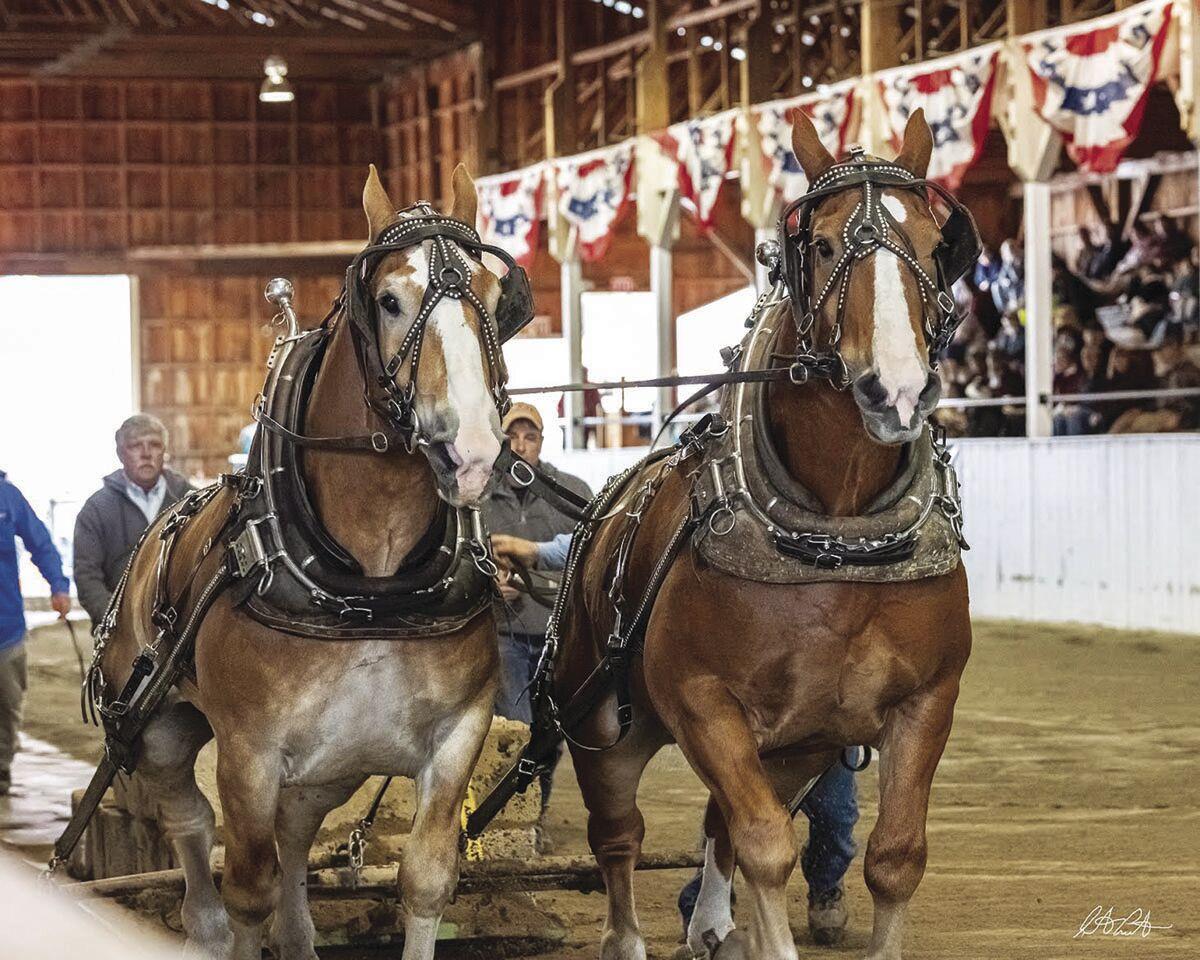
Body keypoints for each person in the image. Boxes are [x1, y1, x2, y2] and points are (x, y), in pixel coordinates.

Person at [490, 531, 861, 947]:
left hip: (816, 699)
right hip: (757, 682)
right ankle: (707, 904)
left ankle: (825, 885)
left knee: (835, 818)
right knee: (747, 805)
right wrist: (537, 551)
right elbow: (603, 539)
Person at [486, 403, 591, 846]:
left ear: (542, 443)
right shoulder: (479, 498)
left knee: (549, 733)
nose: (520, 445)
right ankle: (513, 826)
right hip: (504, 634)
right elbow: (456, 557)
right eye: (512, 437)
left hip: (558, 636)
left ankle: (534, 817)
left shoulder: (568, 492)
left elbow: (592, 551)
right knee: (516, 727)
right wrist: (486, 584)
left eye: (529, 437)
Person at [73, 415, 192, 625]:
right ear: (120, 454)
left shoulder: (190, 501)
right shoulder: (96, 509)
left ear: (164, 451)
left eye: (154, 445)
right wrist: (115, 622)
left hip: (181, 630)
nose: (146, 454)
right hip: (121, 629)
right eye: (136, 446)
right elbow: (87, 575)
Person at [0, 470, 70, 795]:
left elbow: (39, 543)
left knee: (7, 705)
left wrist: (58, 585)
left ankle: (0, 771)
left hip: (6, 627)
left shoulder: (7, 497)